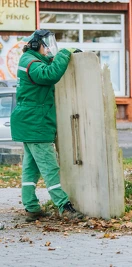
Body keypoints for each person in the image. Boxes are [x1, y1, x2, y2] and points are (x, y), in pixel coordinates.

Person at [10, 29, 84, 222]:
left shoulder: (30, 60)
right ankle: (65, 207)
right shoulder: (30, 62)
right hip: (35, 123)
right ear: (36, 45)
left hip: (29, 122)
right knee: (50, 168)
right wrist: (65, 53)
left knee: (30, 168)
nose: (48, 48)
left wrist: (58, 57)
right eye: (46, 44)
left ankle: (32, 207)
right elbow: (49, 75)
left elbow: (46, 67)